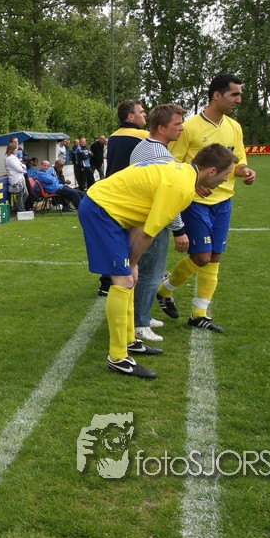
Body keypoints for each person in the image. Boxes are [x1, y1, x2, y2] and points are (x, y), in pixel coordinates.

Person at [78, 143, 236, 379]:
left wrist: (133, 263)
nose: (225, 180)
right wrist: (132, 262)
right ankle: (118, 358)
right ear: (212, 171)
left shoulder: (180, 173)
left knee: (130, 279)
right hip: (101, 210)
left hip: (107, 206)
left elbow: (141, 214)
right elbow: (147, 234)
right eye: (226, 174)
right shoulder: (180, 187)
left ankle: (129, 341)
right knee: (123, 280)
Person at [157, 73, 257, 334]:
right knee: (201, 256)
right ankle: (164, 290)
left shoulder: (234, 127)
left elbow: (237, 162)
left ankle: (199, 314)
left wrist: (245, 171)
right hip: (196, 201)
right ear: (217, 95)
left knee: (215, 257)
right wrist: (193, 183)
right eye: (234, 94)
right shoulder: (189, 127)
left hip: (224, 201)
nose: (239, 99)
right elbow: (173, 164)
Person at [129, 104, 190, 343]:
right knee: (151, 273)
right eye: (177, 124)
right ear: (162, 128)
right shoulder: (161, 155)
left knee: (145, 271)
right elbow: (167, 198)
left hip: (141, 217)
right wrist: (179, 230)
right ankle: (140, 323)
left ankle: (142, 315)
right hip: (152, 220)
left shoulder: (143, 146)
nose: (182, 128)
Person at [97, 100, 150, 297]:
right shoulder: (142, 136)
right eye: (142, 112)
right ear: (131, 116)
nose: (145, 114)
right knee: (132, 239)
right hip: (130, 194)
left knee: (113, 239)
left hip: (111, 192)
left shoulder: (113, 136)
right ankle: (130, 274)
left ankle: (106, 282)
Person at [3, 142, 29, 210]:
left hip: (21, 179)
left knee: (26, 194)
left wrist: (22, 166)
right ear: (12, 150)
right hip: (15, 180)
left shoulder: (14, 157)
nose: (17, 151)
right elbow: (20, 169)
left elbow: (23, 166)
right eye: (16, 149)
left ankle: (19, 208)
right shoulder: (9, 158)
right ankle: (21, 210)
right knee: (19, 196)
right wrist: (22, 167)